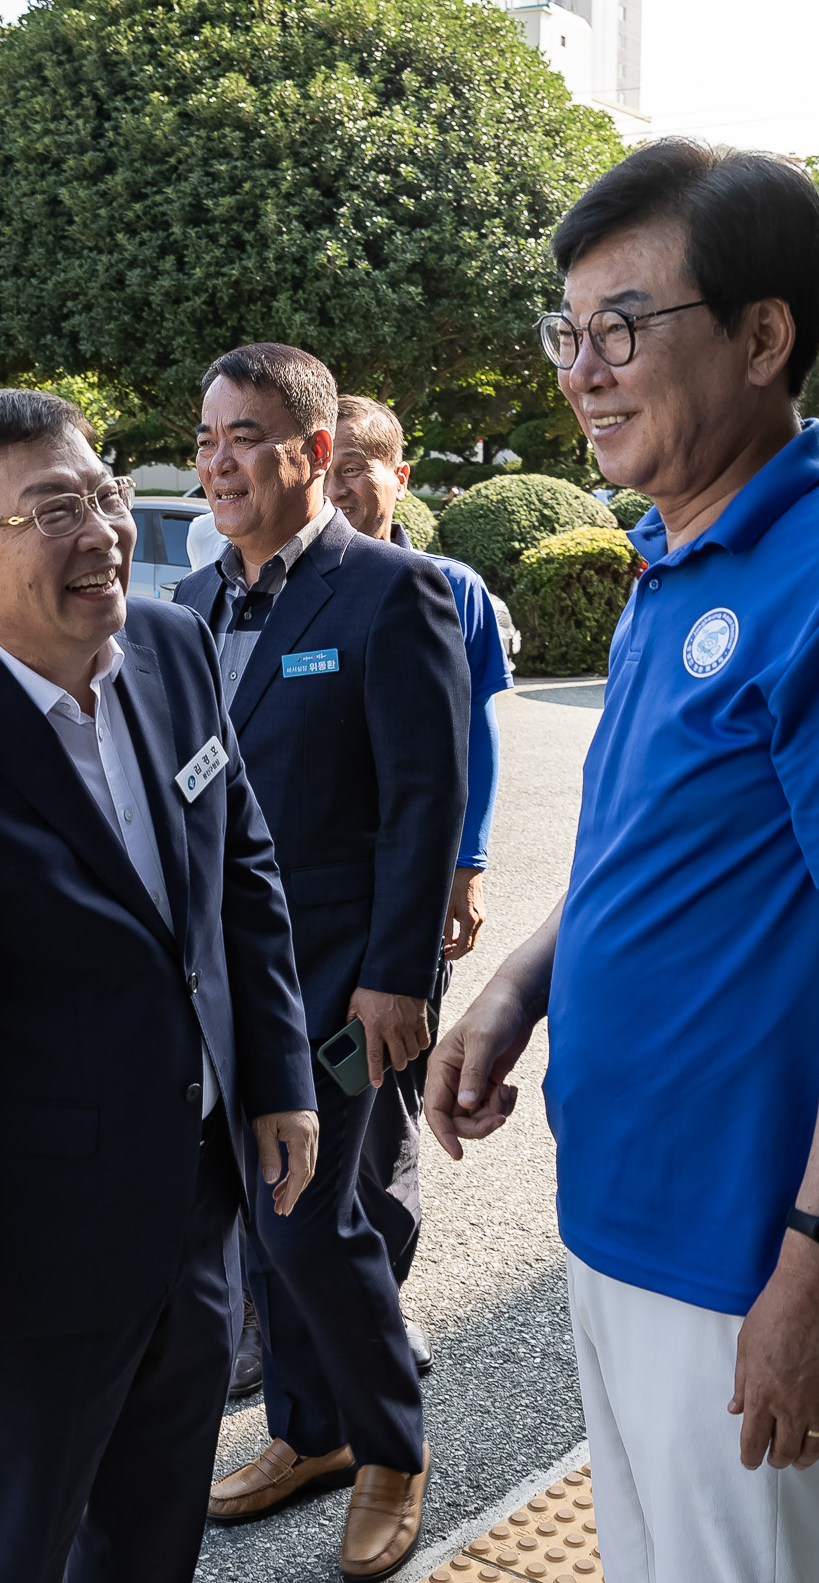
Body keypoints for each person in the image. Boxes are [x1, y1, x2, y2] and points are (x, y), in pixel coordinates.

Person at [424, 139, 819, 1583]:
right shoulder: (672, 556)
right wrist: (518, 987)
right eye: (569, 331)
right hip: (623, 1198)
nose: (582, 368)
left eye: (623, 327)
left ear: (761, 335)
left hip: (746, 1242)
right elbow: (642, 844)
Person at [0, 389, 320, 1583]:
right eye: (50, 510)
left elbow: (237, 865)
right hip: (27, 1265)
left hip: (191, 1212)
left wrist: (277, 1074)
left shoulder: (174, 646)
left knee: (153, 1533)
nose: (100, 530)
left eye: (103, 493)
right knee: (6, 1550)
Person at [172, 343, 467, 1580]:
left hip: (340, 979)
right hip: (211, 985)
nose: (217, 461)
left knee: (306, 1222)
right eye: (204, 440)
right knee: (252, 1221)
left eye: (242, 435)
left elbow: (425, 800)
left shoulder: (393, 591)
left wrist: (398, 974)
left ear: (313, 451)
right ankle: (308, 1431)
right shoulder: (185, 608)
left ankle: (390, 1442)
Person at [324, 393, 516, 1341]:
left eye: (363, 464)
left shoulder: (445, 586)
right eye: (330, 463)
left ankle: (379, 1306)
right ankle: (284, 1309)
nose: (341, 484)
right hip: (303, 907)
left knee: (382, 1103)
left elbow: (468, 744)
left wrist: (465, 866)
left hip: (398, 899)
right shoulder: (280, 585)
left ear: (401, 474)